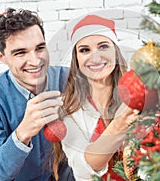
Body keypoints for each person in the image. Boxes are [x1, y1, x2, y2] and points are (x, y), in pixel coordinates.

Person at [0, 8, 74, 181]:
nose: (35, 61)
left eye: (40, 48)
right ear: (1, 56)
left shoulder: (67, 79)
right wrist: (22, 133)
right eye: (20, 53)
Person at [52, 14, 140, 180]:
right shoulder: (67, 107)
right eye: (85, 50)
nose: (95, 57)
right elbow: (83, 170)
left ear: (115, 52)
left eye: (103, 46)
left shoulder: (138, 93)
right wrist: (120, 124)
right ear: (76, 59)